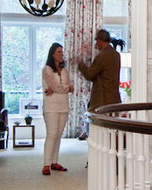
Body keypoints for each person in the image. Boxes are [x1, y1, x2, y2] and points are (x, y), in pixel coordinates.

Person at [42, 42, 74, 176]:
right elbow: (54, 86)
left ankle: (55, 161)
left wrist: (61, 89)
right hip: (51, 107)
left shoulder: (65, 71)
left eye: (62, 51)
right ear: (53, 54)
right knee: (52, 134)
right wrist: (64, 88)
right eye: (59, 52)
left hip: (63, 105)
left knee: (59, 135)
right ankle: (46, 164)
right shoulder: (47, 69)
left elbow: (72, 87)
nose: (62, 54)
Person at [78, 28, 124, 115]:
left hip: (103, 101)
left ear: (99, 40)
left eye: (96, 41)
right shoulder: (116, 54)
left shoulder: (102, 56)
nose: (96, 45)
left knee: (100, 128)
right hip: (114, 100)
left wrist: (80, 64)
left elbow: (89, 75)